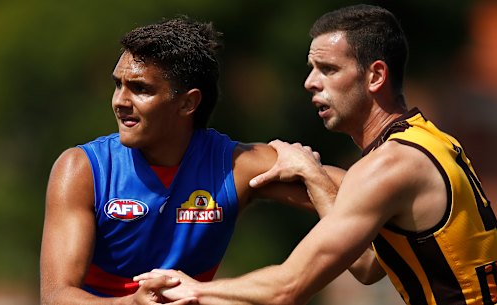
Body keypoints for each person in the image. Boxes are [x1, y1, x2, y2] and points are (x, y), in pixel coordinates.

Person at [136, 5, 497, 305]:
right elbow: (369, 264)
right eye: (312, 68)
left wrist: (196, 289)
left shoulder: (390, 164)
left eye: (328, 69)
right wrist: (314, 175)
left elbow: (288, 288)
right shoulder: (428, 139)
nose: (310, 81)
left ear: (375, 76)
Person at [39, 16, 344, 305]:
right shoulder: (82, 169)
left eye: (140, 89)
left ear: (188, 103)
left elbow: (364, 193)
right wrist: (130, 302)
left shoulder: (235, 167)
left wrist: (310, 170)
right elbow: (55, 296)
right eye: (118, 84)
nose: (120, 101)